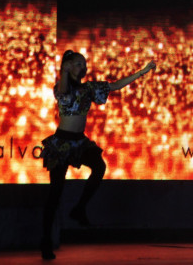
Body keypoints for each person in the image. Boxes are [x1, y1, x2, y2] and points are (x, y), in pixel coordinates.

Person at [40, 50, 156, 260]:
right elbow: (63, 90)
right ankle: (46, 241)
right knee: (55, 193)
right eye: (78, 64)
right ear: (68, 67)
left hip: (79, 142)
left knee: (99, 166)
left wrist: (142, 72)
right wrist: (64, 71)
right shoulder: (61, 87)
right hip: (62, 143)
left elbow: (115, 85)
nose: (83, 67)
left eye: (84, 64)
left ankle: (79, 208)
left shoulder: (89, 88)